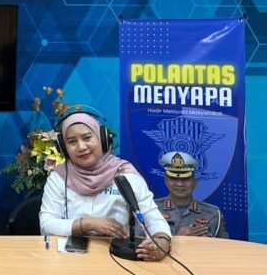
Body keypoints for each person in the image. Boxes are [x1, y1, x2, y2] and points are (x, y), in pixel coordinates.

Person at [39, 105, 172, 261]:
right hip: (70, 259)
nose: (81, 147)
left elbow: (152, 217)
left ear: (102, 139)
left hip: (117, 257)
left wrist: (162, 240)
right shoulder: (58, 177)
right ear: (63, 147)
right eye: (72, 142)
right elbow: (46, 225)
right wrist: (87, 224)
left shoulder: (125, 174)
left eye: (87, 138)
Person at [155, 151, 229, 239]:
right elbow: (142, 243)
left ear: (195, 182)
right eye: (174, 179)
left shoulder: (213, 214)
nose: (179, 184)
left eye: (185, 179)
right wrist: (177, 238)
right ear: (166, 181)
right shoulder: (152, 209)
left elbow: (224, 246)